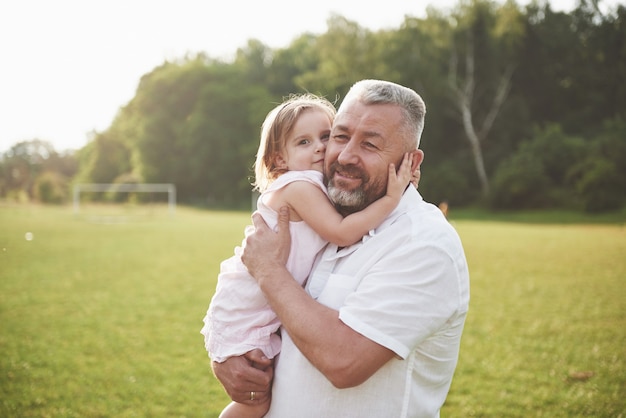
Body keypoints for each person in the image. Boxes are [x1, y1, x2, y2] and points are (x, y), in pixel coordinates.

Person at [212, 79, 470, 418]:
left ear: (412, 161)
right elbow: (281, 312)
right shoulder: (328, 220)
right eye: (340, 135)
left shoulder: (424, 244)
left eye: (370, 145)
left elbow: (343, 362)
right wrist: (233, 359)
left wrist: (268, 270)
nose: (346, 156)